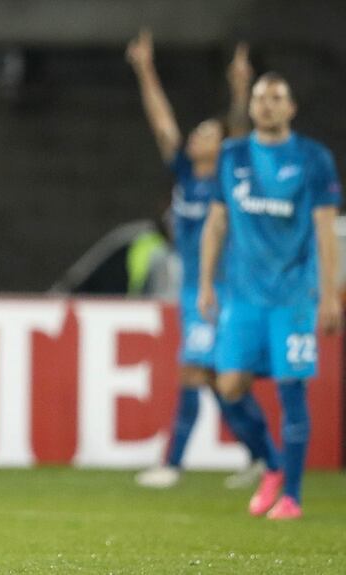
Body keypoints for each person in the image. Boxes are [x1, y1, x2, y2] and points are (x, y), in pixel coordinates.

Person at [125, 30, 282, 490]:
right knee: (219, 382)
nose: (196, 137)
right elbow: (161, 121)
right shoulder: (183, 173)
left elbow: (238, 127)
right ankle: (264, 458)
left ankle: (173, 464)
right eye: (196, 133)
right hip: (195, 288)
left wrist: (240, 88)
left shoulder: (230, 177)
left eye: (206, 133)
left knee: (200, 373)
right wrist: (144, 69)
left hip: (224, 289)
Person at [199, 72, 342, 520]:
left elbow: (325, 229)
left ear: (291, 108)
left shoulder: (313, 159)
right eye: (259, 97)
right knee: (227, 385)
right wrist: (205, 281)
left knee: (290, 391)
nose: (265, 104)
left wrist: (331, 294)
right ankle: (274, 465)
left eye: (276, 97)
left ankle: (293, 498)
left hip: (293, 295)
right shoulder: (232, 154)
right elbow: (217, 221)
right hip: (242, 297)